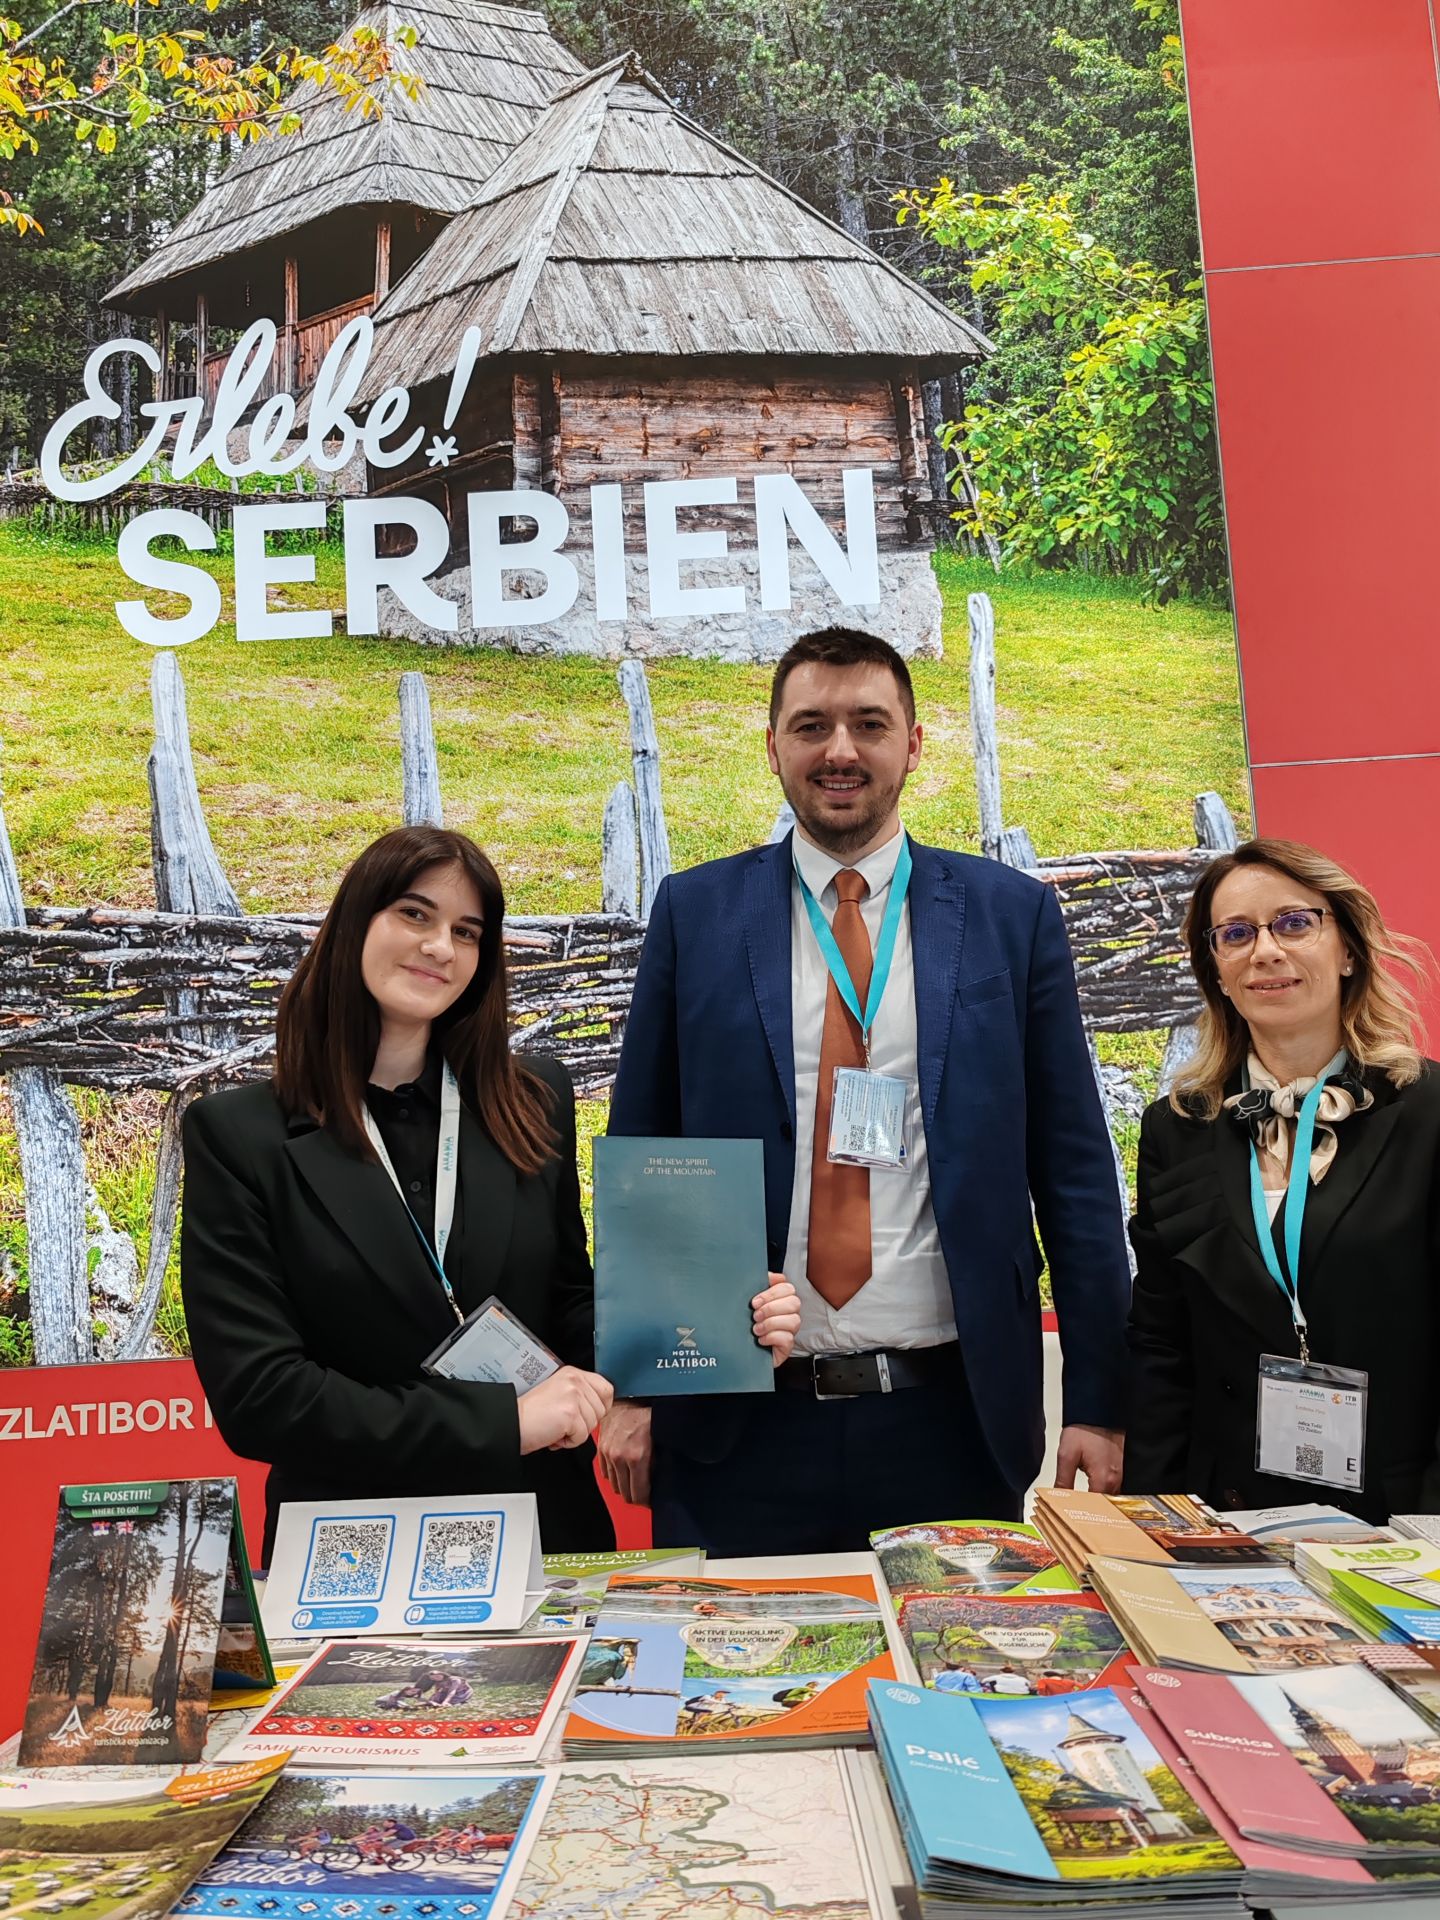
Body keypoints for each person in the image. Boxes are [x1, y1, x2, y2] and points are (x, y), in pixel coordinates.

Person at [602, 627, 1131, 1553]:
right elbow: (646, 1151)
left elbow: (1075, 1171)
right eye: (811, 726)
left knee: (959, 1650)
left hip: (951, 1421)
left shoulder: (1010, 917)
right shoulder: (696, 913)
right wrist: (640, 1385)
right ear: (773, 747)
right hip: (739, 1426)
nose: (839, 750)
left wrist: (1099, 1399)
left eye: (869, 724)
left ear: (913, 745)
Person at [180, 825, 618, 1561]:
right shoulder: (239, 1136)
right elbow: (262, 1398)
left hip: (544, 1531)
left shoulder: (534, 1100)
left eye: (467, 932)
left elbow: (568, 1302)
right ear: (357, 922)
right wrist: (500, 1423)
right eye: (415, 914)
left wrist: (704, 1327)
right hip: (352, 1551)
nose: (441, 946)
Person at [1124, 838, 1440, 1521]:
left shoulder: (1430, 1112)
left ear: (1347, 949)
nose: (1265, 951)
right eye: (1236, 934)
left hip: (1403, 1517)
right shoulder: (1177, 1128)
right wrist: (1154, 1520)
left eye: (1294, 923)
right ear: (1217, 971)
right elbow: (1161, 1342)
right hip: (1228, 1513)